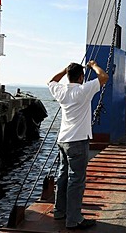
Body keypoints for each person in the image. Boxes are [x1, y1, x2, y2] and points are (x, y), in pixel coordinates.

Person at [48, 61, 109, 230]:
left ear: (68, 76)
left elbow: (51, 80)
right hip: (78, 141)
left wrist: (64, 69)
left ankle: (59, 211)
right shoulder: (83, 90)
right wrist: (94, 65)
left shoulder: (61, 91)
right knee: (76, 180)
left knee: (62, 175)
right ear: (81, 77)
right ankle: (74, 219)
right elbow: (104, 77)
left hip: (62, 140)